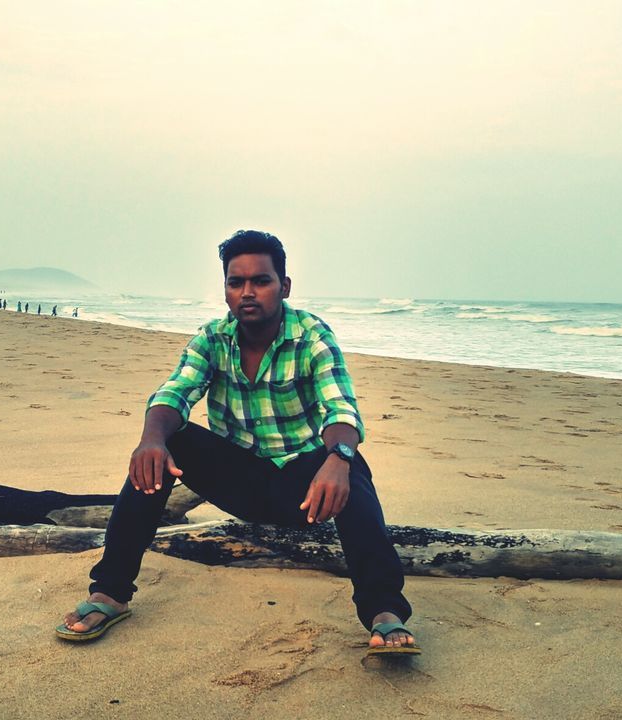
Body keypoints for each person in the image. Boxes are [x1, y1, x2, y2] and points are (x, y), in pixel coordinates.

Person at [56, 229, 418, 656]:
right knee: (165, 444)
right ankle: (110, 593)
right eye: (236, 282)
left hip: (304, 492)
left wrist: (339, 456)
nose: (247, 292)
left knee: (348, 462)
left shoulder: (311, 335)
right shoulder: (213, 338)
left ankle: (382, 610)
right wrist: (150, 438)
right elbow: (174, 392)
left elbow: (340, 408)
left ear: (283, 286)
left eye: (260, 281)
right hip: (239, 481)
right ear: (226, 288)